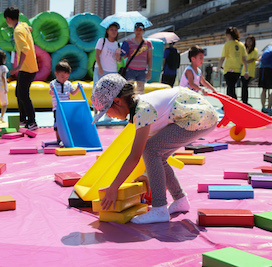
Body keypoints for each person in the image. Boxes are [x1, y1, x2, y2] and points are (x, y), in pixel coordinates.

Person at [91, 73, 218, 224]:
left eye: (107, 111)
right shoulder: (140, 109)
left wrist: (113, 188)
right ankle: (180, 199)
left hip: (199, 117)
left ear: (117, 101)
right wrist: (148, 174)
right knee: (157, 153)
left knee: (151, 150)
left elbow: (135, 156)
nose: (109, 117)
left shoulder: (142, 110)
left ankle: (159, 208)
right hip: (199, 115)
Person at [4, 6, 38, 130]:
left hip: (27, 68)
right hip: (29, 66)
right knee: (18, 93)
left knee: (23, 95)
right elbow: (30, 27)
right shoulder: (22, 25)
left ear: (8, 19)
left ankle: (32, 121)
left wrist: (18, 66)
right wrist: (28, 29)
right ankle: (23, 118)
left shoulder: (18, 31)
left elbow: (25, 49)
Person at [93, 22, 122, 117]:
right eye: (112, 30)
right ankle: (96, 111)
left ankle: (108, 112)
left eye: (115, 30)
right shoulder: (102, 41)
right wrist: (100, 67)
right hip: (101, 69)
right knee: (98, 90)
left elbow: (119, 61)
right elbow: (97, 54)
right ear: (107, 31)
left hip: (112, 71)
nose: (114, 32)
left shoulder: (118, 44)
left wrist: (118, 56)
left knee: (110, 92)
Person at [49, 61, 80, 143]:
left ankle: (68, 138)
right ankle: (58, 139)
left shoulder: (68, 83)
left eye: (66, 77)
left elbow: (73, 93)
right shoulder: (53, 83)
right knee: (58, 124)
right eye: (62, 77)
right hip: (57, 108)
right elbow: (50, 93)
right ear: (56, 73)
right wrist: (52, 89)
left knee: (67, 123)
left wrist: (77, 89)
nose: (64, 79)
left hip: (67, 107)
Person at [216, 27, 249, 99]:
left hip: (228, 69)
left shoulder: (227, 44)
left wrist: (217, 70)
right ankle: (230, 105)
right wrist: (246, 71)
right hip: (237, 70)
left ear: (228, 35)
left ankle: (231, 105)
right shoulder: (241, 45)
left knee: (230, 89)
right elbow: (244, 59)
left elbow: (222, 58)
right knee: (232, 87)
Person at [121, 22, 153, 94]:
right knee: (128, 90)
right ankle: (129, 104)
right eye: (137, 30)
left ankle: (138, 104)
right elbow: (125, 56)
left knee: (140, 90)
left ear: (143, 31)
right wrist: (122, 51)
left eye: (140, 30)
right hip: (130, 70)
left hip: (142, 70)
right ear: (134, 31)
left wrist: (149, 71)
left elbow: (150, 58)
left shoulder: (148, 43)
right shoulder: (128, 42)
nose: (138, 32)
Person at [240, 35, 258, 105]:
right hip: (243, 70)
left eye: (250, 41)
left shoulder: (254, 50)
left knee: (245, 85)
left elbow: (252, 59)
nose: (249, 43)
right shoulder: (244, 49)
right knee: (244, 86)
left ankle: (245, 100)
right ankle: (244, 100)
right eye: (247, 41)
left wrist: (244, 61)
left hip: (249, 70)